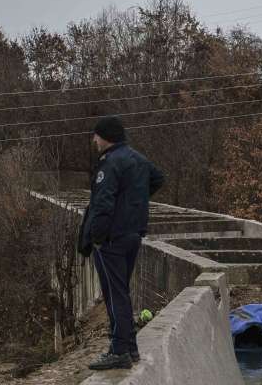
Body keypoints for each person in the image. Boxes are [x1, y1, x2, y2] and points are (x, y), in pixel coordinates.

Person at [79, 116, 164, 370]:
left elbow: (103, 204)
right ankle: (130, 348)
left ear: (106, 137)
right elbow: (157, 179)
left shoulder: (110, 163)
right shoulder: (138, 159)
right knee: (121, 293)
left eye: (96, 135)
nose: (94, 140)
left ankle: (118, 351)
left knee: (115, 295)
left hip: (112, 240)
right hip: (133, 235)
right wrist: (133, 204)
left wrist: (96, 237)